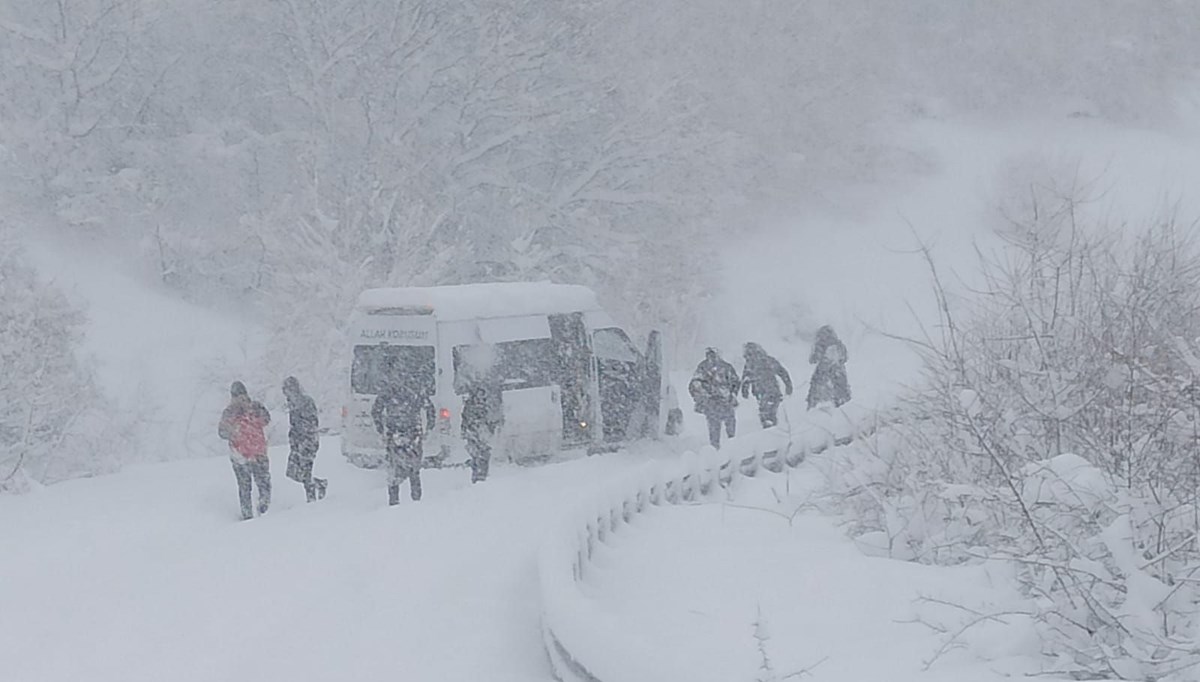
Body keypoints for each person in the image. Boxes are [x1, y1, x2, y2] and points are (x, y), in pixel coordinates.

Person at [372, 364, 432, 505]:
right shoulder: (416, 390)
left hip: (395, 434)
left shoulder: (389, 391)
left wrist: (381, 429)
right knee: (414, 470)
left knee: (394, 469)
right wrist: (428, 428)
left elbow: (376, 410)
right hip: (412, 434)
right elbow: (430, 409)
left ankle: (394, 502)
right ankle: (415, 501)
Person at [218, 381, 272, 520]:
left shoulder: (254, 407)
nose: (240, 399)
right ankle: (250, 515)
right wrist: (232, 431)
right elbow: (222, 432)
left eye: (242, 396)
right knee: (247, 486)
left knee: (261, 484)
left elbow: (266, 419)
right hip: (242, 455)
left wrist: (252, 412)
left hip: (253, 453)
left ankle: (264, 510)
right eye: (237, 396)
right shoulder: (230, 412)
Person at [283, 376, 326, 502]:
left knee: (306, 471)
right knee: (292, 472)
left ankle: (311, 499)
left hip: (308, 442)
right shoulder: (292, 404)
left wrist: (304, 434)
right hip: (296, 442)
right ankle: (319, 484)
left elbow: (311, 422)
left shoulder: (306, 402)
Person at [688, 347, 740, 449]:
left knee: (716, 429)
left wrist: (700, 397)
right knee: (725, 428)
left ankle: (720, 450)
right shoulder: (724, 366)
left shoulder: (705, 367)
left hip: (716, 403)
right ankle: (728, 449)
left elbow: (694, 385)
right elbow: (736, 382)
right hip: (720, 402)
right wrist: (731, 394)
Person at [460, 370, 504, 484]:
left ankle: (481, 475)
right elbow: (466, 418)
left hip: (482, 433)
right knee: (479, 455)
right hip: (475, 433)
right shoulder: (471, 406)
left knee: (483, 454)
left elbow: (492, 418)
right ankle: (478, 476)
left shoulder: (484, 404)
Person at [740, 342, 793, 428]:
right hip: (768, 391)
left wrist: (745, 390)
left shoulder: (756, 363)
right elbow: (782, 372)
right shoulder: (765, 361)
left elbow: (746, 379)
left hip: (767, 391)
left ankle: (769, 427)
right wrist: (788, 385)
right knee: (768, 411)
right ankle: (771, 427)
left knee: (765, 411)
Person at [806, 325, 851, 410]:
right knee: (841, 386)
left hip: (823, 369)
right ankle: (843, 403)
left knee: (815, 384)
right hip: (839, 369)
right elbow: (845, 358)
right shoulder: (839, 344)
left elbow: (813, 359)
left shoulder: (820, 344)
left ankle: (812, 403)